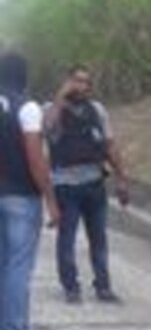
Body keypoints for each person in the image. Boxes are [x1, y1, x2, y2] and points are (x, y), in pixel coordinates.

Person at [44, 64, 129, 304]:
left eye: (86, 82)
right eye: (77, 81)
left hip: (94, 184)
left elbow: (109, 145)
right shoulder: (52, 108)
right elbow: (47, 127)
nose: (81, 86)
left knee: (99, 239)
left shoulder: (97, 110)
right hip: (65, 186)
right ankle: (71, 287)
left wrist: (122, 179)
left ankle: (103, 286)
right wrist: (60, 98)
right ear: (67, 82)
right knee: (67, 239)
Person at [0, 51, 60, 330]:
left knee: (3, 263)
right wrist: (51, 199)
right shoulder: (27, 107)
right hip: (21, 196)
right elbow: (36, 159)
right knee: (19, 265)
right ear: (24, 76)